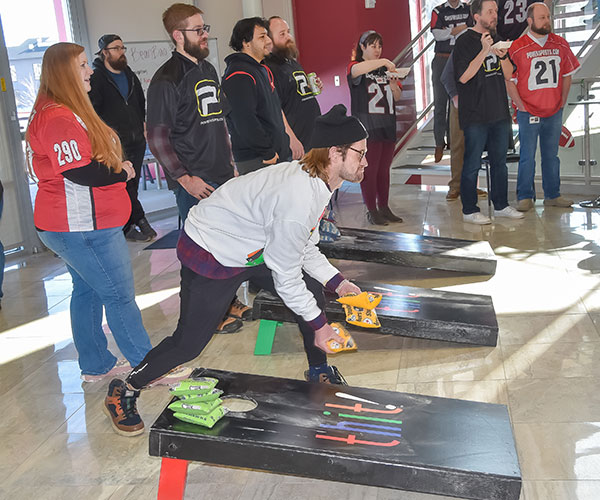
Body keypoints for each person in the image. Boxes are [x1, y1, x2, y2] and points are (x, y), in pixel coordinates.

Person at [104, 104, 367, 436]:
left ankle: (319, 371)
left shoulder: (317, 183)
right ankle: (125, 389)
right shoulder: (298, 197)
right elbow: (286, 273)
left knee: (314, 288)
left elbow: (304, 247)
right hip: (211, 250)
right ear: (334, 154)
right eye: (361, 154)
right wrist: (319, 326)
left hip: (250, 248)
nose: (365, 162)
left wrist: (337, 281)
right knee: (189, 343)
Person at [25, 42, 190, 385]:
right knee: (118, 294)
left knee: (87, 291)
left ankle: (96, 364)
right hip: (82, 226)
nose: (90, 71)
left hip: (83, 224)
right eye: (83, 66)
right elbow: (79, 172)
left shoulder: (65, 111)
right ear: (64, 73)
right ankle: (148, 367)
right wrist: (122, 173)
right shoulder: (57, 117)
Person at [146, 3, 249, 333]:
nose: (205, 35)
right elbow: (157, 137)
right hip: (195, 181)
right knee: (199, 252)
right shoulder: (166, 80)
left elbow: (220, 124)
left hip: (222, 175)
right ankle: (200, 316)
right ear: (178, 36)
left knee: (227, 245)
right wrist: (184, 178)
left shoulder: (208, 70)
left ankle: (226, 302)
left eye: (205, 29)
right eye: (198, 30)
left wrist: (231, 165)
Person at [453, 0, 525, 224]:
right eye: (490, 11)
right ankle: (469, 209)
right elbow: (464, 77)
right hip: (475, 113)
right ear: (476, 15)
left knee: (499, 162)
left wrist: (502, 54)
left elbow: (507, 74)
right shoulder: (464, 41)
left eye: (496, 11)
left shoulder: (498, 38)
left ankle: (501, 204)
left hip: (498, 112)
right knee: (472, 162)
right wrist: (484, 51)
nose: (496, 15)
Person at [506, 2, 579, 211]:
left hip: (554, 110)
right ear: (530, 21)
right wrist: (521, 106)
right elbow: (509, 81)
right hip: (528, 111)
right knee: (527, 156)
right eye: (542, 18)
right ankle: (525, 196)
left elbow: (567, 75)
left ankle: (552, 194)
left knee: (551, 156)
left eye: (548, 17)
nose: (547, 21)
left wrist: (562, 101)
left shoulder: (560, 43)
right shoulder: (517, 47)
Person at [88, 34, 156, 242]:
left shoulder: (129, 74)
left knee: (132, 182)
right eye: (117, 48)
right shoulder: (96, 78)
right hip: (113, 142)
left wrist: (142, 125)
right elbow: (93, 110)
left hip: (136, 138)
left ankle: (127, 224)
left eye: (123, 48)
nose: (122, 52)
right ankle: (139, 220)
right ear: (105, 53)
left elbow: (139, 101)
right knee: (124, 182)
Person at [222, 17, 291, 174]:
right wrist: (268, 152)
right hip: (258, 159)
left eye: (267, 35)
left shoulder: (261, 69)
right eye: (262, 37)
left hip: (275, 155)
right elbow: (244, 120)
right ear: (246, 43)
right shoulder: (239, 74)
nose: (268, 40)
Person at [347, 30, 403, 226]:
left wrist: (394, 84)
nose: (378, 50)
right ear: (362, 47)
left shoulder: (385, 69)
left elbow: (396, 97)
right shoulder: (356, 67)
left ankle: (384, 206)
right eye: (373, 46)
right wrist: (384, 62)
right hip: (368, 126)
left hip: (387, 124)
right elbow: (355, 72)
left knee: (384, 170)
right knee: (370, 171)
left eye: (380, 46)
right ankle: (371, 209)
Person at [265, 16, 322, 158]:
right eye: (282, 34)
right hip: (297, 142)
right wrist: (291, 138)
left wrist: (312, 88)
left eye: (288, 31)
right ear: (269, 40)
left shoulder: (291, 62)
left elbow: (295, 93)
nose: (289, 37)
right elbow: (275, 108)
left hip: (312, 136)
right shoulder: (269, 68)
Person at [441, 48, 488, 201]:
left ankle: (471, 185)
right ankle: (455, 186)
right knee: (458, 145)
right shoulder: (460, 49)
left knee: (474, 146)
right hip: (460, 103)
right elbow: (446, 76)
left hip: (479, 103)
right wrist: (455, 97)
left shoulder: (487, 49)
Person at [431, 0, 473, 163]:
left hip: (462, 60)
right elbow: (437, 34)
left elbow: (470, 30)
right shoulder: (438, 11)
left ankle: (454, 140)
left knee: (459, 103)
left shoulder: (468, 8)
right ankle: (439, 143)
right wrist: (459, 29)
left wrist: (449, 31)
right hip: (442, 59)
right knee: (440, 103)